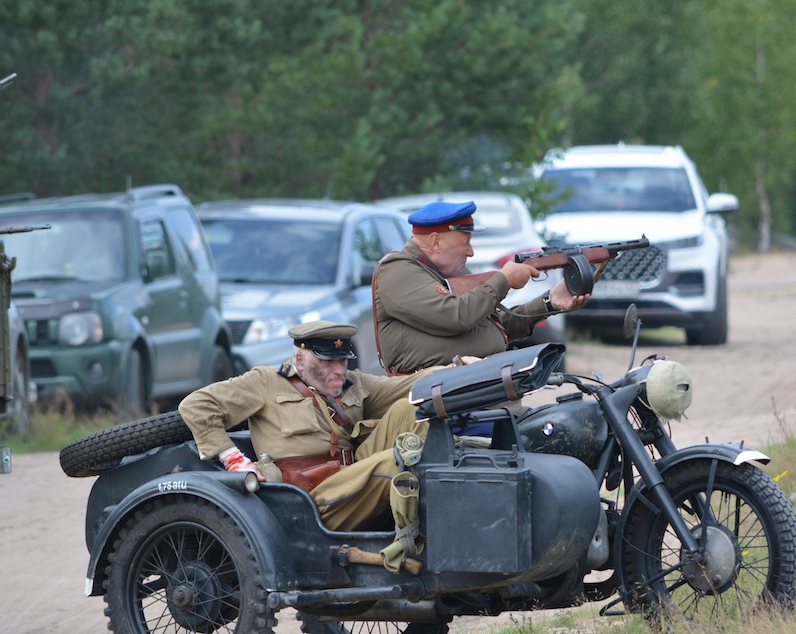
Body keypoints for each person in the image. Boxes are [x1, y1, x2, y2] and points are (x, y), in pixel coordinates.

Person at [178, 320, 441, 532]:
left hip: (354, 475)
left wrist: (462, 367)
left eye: (342, 360)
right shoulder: (266, 381)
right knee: (394, 462)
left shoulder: (352, 383)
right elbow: (197, 405)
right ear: (300, 361)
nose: (338, 370)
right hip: (309, 500)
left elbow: (412, 385)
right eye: (327, 362)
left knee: (412, 408)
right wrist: (234, 460)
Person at [373, 200, 588, 375]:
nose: (470, 252)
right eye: (464, 242)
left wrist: (549, 301)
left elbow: (495, 326)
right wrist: (504, 279)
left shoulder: (451, 273)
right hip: (425, 396)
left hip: (467, 386)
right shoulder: (396, 270)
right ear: (436, 241)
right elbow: (454, 316)